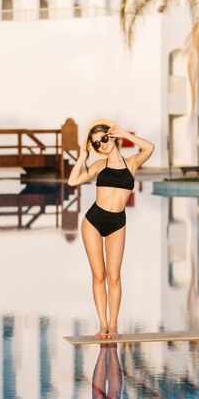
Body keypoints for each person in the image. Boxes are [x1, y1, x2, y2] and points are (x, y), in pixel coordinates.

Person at [68, 119, 154, 339]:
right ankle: (102, 325)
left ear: (112, 137)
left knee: (114, 276)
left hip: (117, 222)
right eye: (97, 143)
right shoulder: (99, 165)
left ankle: (113, 326)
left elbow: (149, 147)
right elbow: (72, 181)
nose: (102, 145)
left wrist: (125, 133)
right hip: (94, 221)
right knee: (99, 276)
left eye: (104, 138)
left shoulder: (132, 164)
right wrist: (82, 156)